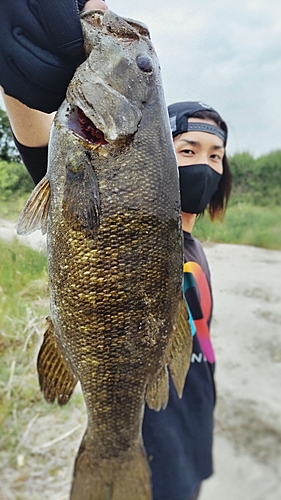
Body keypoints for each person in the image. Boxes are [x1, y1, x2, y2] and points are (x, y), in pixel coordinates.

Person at [142, 101, 232, 500]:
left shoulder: (195, 247)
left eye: (216, 156)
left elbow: (201, 339)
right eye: (188, 151)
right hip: (151, 439)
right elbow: (46, 153)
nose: (204, 166)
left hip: (195, 420)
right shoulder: (138, 240)